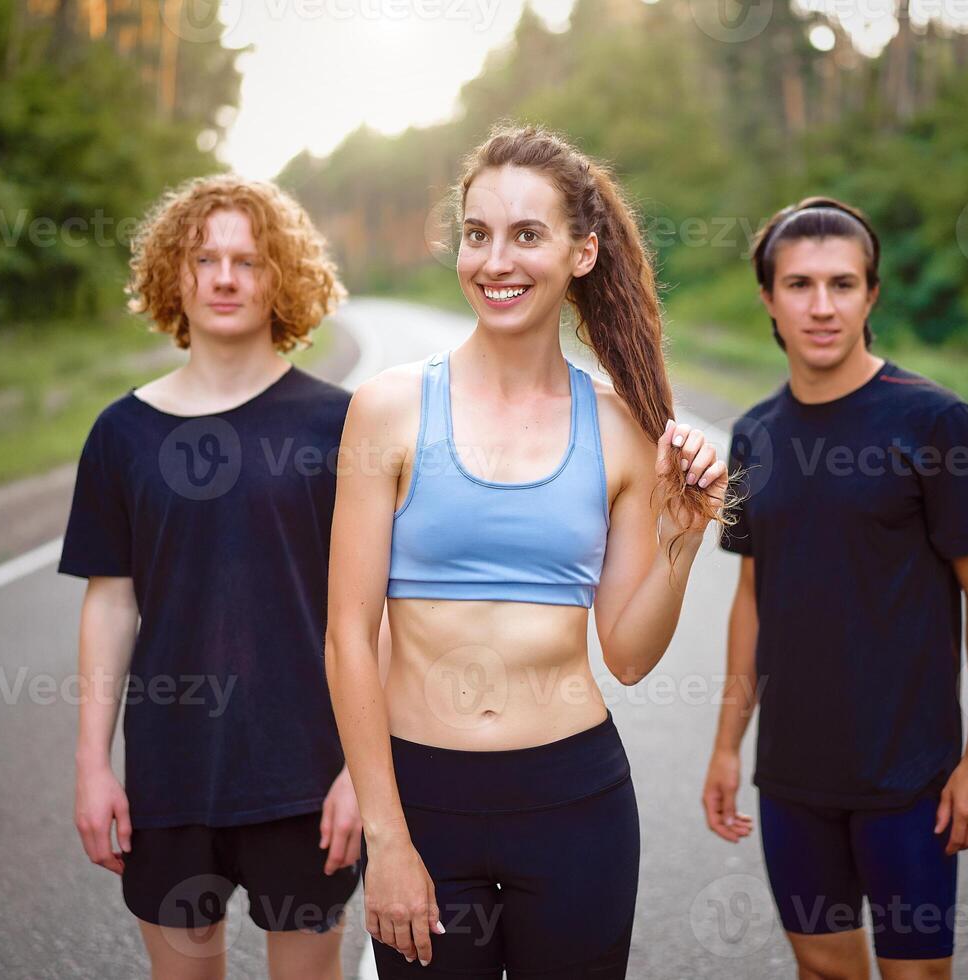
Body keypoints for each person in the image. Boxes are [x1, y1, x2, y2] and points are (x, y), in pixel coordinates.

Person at [323, 125, 732, 978]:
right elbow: (348, 640)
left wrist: (683, 540)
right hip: (424, 802)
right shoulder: (388, 411)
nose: (494, 261)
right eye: (478, 234)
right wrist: (386, 838)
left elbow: (627, 653)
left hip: (575, 804)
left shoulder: (621, 429)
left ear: (582, 253)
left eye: (526, 235)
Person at [702, 198, 968, 980]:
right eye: (799, 284)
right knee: (824, 970)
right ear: (769, 299)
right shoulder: (753, 436)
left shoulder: (934, 421)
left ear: (871, 296)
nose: (820, 306)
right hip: (794, 776)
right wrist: (724, 745)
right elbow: (752, 596)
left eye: (842, 285)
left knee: (914, 975)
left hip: (909, 775)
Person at [59, 174, 365, 980]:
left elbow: (375, 611)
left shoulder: (338, 424)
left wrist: (360, 772)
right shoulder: (120, 433)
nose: (225, 278)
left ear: (281, 279)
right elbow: (110, 602)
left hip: (304, 776)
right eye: (204, 258)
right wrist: (93, 766)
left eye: (249, 261)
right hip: (170, 776)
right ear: (174, 275)